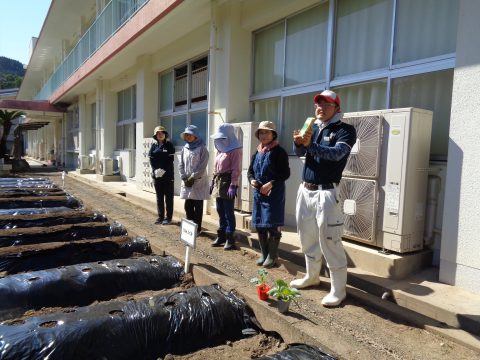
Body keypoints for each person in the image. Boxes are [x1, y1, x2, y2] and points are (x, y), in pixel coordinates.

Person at [290, 90, 357, 307]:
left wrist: (310, 145)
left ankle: (339, 290)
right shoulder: (313, 127)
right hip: (305, 190)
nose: (320, 108)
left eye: (326, 104)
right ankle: (312, 276)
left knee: (330, 239)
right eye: (318, 104)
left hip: (327, 192)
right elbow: (302, 152)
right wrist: (299, 143)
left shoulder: (345, 130)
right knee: (307, 237)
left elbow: (337, 154)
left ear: (337, 108)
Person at [247, 121, 290, 268]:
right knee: (260, 225)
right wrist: (252, 180)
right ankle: (264, 254)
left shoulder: (279, 152)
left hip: (274, 194)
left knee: (272, 224)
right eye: (261, 132)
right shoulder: (257, 152)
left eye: (267, 132)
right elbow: (250, 172)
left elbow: (285, 173)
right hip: (259, 194)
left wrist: (271, 183)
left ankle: (272, 255)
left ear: (273, 134)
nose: (263, 135)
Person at [210, 123, 242, 250]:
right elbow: (215, 167)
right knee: (219, 209)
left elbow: (236, 169)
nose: (220, 140)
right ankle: (221, 235)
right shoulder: (220, 150)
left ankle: (230, 238)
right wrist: (212, 181)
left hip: (228, 180)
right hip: (219, 180)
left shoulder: (235, 150)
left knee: (228, 211)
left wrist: (233, 184)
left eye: (223, 138)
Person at [179, 125, 210, 233]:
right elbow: (181, 164)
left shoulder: (202, 148)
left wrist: (193, 177)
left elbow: (202, 166)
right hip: (187, 181)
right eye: (186, 135)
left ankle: (197, 228)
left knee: (198, 206)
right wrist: (184, 177)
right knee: (188, 205)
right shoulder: (185, 148)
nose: (187, 137)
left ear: (195, 135)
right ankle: (190, 226)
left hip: (198, 181)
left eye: (189, 134)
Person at [149, 125, 175, 225]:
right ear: (155, 135)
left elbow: (170, 160)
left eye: (162, 133)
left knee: (168, 197)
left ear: (165, 134)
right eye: (158, 133)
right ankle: (160, 217)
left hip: (168, 175)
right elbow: (151, 159)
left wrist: (163, 170)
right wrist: (155, 170)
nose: (160, 135)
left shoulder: (169, 145)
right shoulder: (154, 146)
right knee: (159, 197)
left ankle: (168, 218)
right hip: (157, 176)